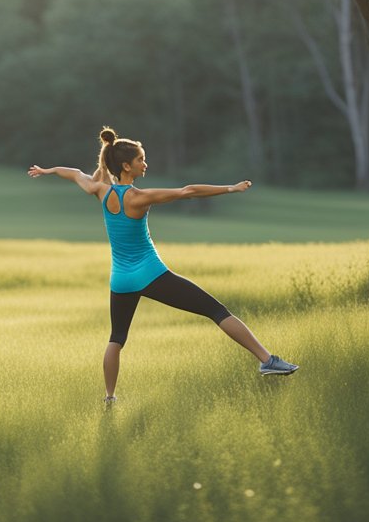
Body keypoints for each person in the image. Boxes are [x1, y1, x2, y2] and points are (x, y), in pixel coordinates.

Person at [29, 127, 298, 404]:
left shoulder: (98, 190)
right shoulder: (139, 197)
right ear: (126, 166)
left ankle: (109, 398)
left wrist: (48, 170)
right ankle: (267, 360)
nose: (145, 164)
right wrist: (231, 188)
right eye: (140, 160)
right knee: (216, 310)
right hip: (150, 274)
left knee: (117, 338)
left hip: (120, 280)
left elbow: (73, 172)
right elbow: (188, 191)